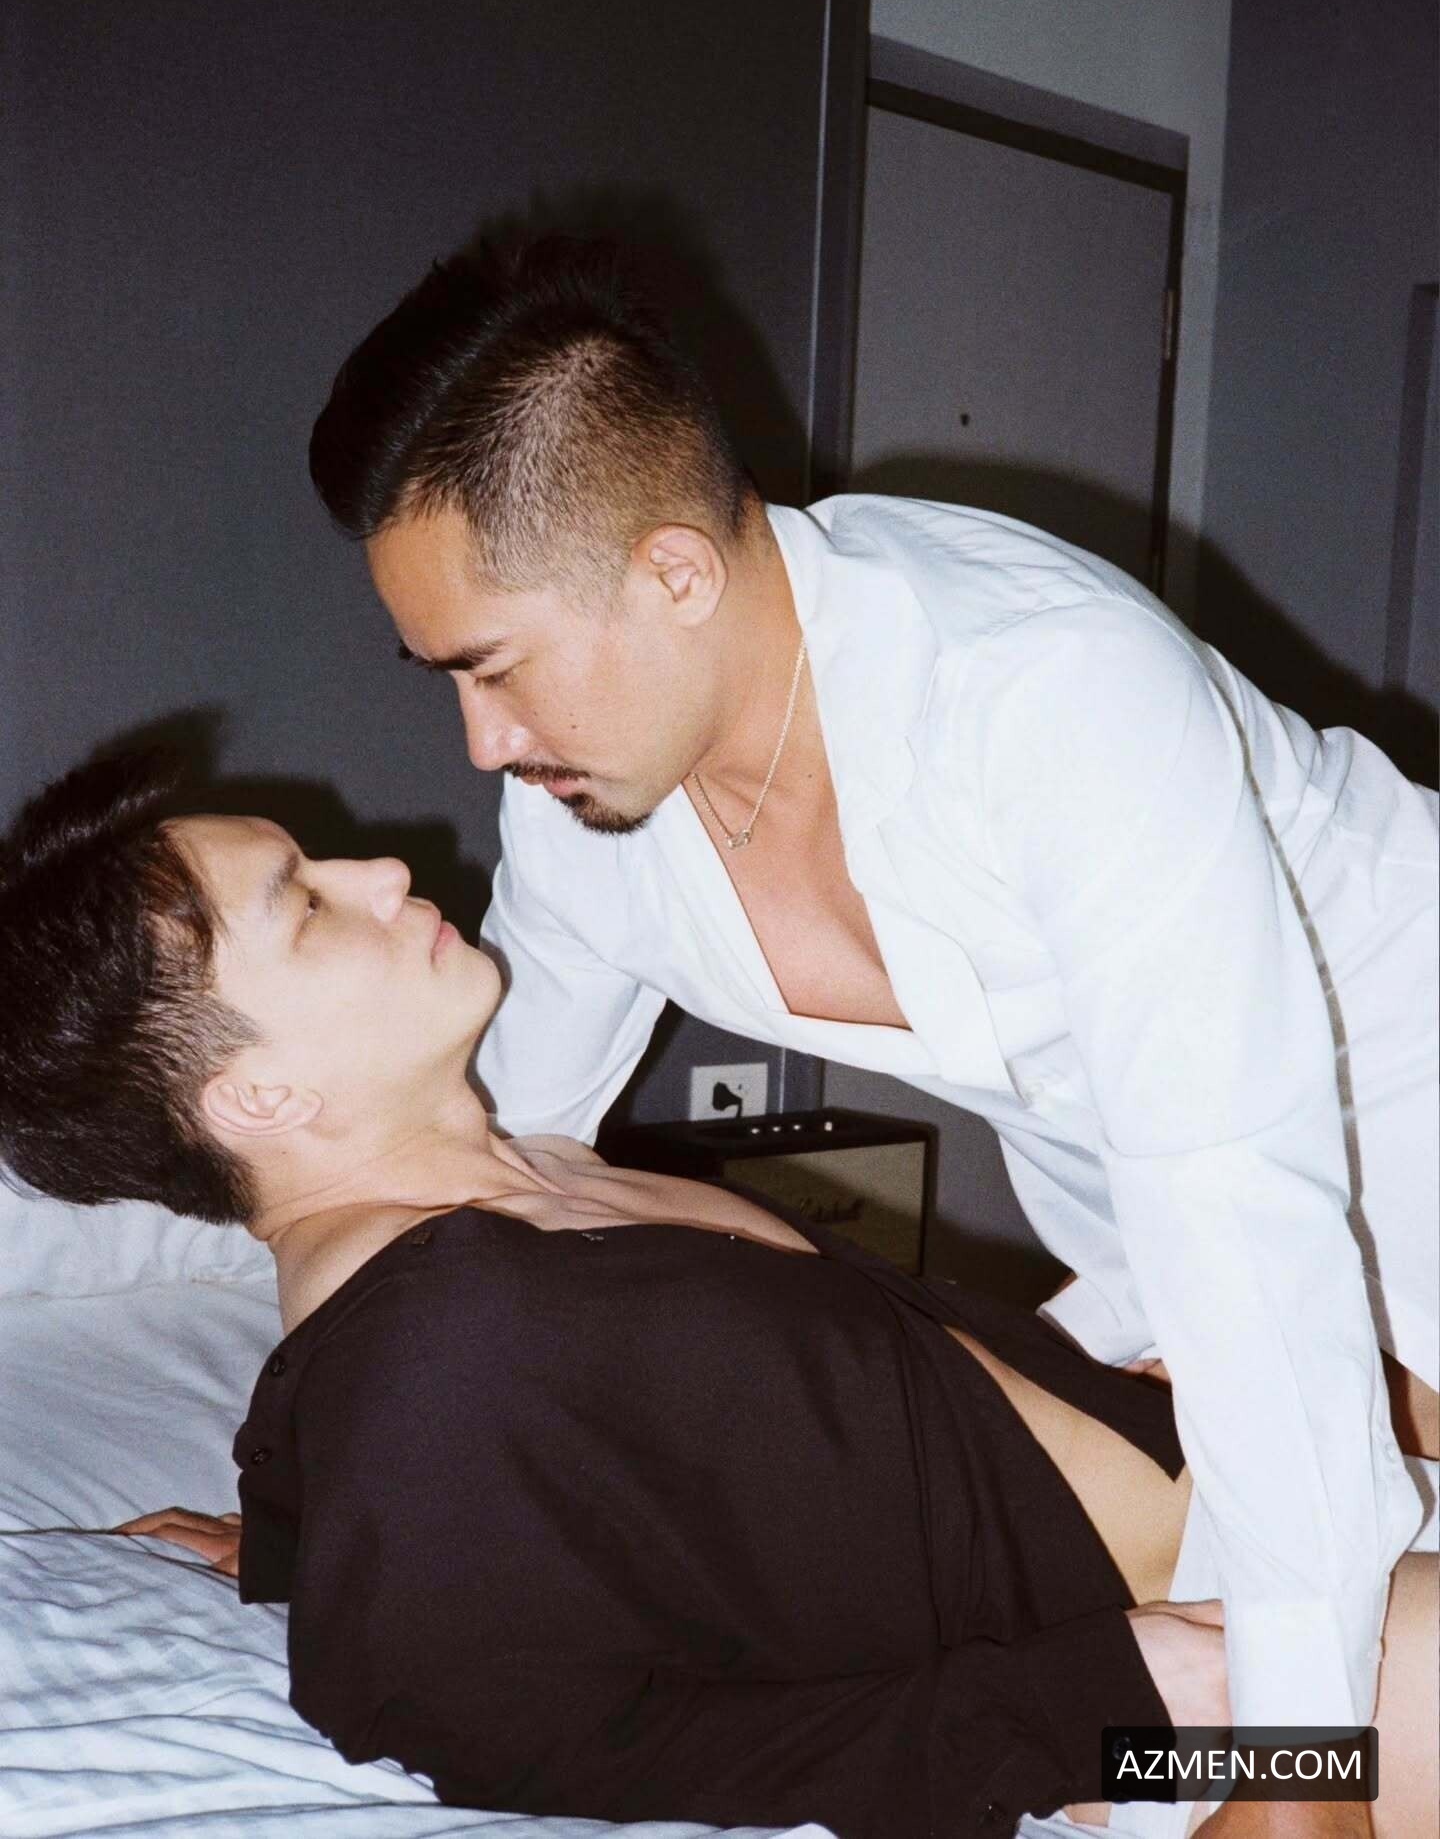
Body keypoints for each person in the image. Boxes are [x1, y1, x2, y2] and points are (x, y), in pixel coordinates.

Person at [302, 237, 1440, 1824]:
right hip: (1184, 1278)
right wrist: (319, 1523)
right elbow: (486, 1150)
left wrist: (1300, 1765)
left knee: (1321, 1707)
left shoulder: (1046, 693)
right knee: (1213, 1707)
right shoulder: (585, 821)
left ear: (675, 575)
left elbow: (1243, 1204)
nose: (482, 743)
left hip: (1383, 1092)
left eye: (494, 670)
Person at [0, 754, 1433, 1839]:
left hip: (1275, 1485)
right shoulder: (432, 1350)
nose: (379, 871)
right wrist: (1098, 1702)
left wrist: (294, 1549)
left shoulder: (533, 1185)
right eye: (307, 907)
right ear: (256, 1097)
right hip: (1203, 1693)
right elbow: (532, 1744)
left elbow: (457, 1507)